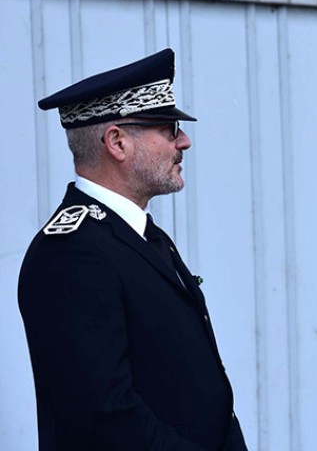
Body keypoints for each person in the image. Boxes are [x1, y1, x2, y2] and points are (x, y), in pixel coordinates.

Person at [18, 49, 248, 450]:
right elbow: (103, 414)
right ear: (117, 142)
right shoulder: (70, 252)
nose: (184, 141)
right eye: (169, 128)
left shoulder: (140, 235)